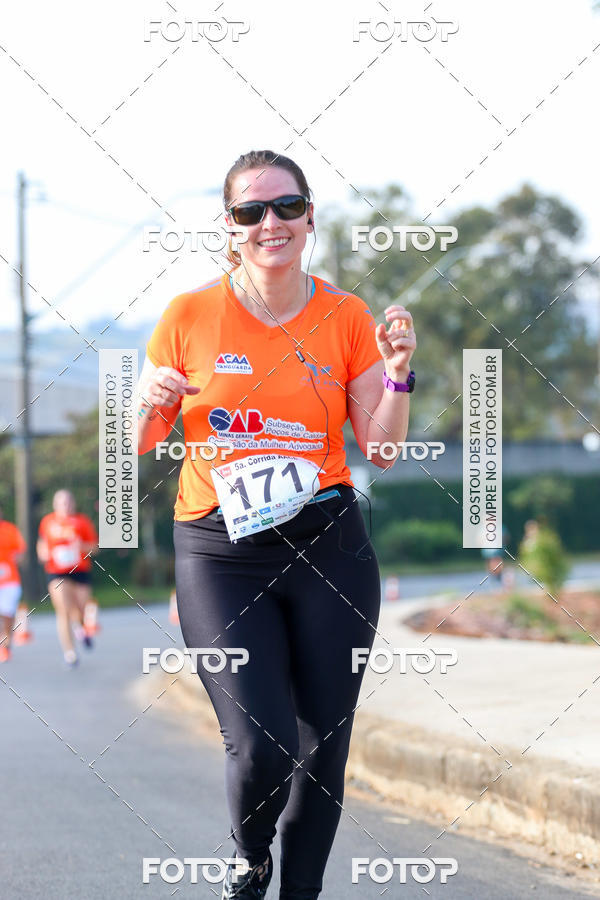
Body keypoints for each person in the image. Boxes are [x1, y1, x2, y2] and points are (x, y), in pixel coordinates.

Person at [136, 149, 417, 899]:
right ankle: (250, 861)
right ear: (229, 229)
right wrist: (148, 396)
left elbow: (382, 450)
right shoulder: (189, 315)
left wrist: (396, 374)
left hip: (329, 545)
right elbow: (134, 444)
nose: (271, 223)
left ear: (310, 217)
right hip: (221, 552)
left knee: (323, 749)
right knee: (262, 745)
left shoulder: (345, 315)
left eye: (286, 207)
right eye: (250, 212)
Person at [37, 490, 98, 667]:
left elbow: (94, 547)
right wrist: (43, 553)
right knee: (63, 609)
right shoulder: (47, 522)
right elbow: (41, 545)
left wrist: (83, 546)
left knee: (80, 609)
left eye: (69, 502)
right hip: (57, 572)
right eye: (62, 503)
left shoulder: (82, 521)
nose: (66, 506)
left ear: (73, 504)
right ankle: (70, 652)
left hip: (80, 570)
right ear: (55, 505)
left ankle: (80, 627)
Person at [0, 507, 26, 663]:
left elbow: (21, 552)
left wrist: (17, 557)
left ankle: (6, 643)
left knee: (7, 614)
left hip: (10, 580)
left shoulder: (10, 529)